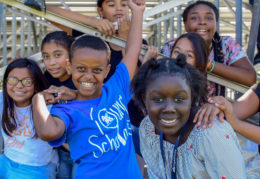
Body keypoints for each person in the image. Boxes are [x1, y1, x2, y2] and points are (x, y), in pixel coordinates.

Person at [32, 0, 145, 178]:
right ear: (69, 67)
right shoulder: (66, 109)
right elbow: (48, 132)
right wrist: (37, 98)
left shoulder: (115, 89)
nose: (88, 76)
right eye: (81, 69)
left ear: (107, 70)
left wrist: (138, 13)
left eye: (97, 70)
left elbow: (133, 49)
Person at [131, 54, 246, 178]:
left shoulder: (210, 134)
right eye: (158, 99)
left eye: (179, 99)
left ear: (191, 97)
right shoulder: (148, 129)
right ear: (144, 99)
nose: (169, 108)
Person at [162, 0, 256, 96]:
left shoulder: (226, 44)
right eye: (194, 18)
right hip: (179, 106)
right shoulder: (172, 46)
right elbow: (161, 79)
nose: (202, 22)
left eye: (209, 18)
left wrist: (208, 64)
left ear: (216, 23)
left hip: (214, 108)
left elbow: (250, 78)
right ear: (185, 25)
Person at [0, 58, 58, 179]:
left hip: (36, 167)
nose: (19, 86)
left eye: (27, 81)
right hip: (6, 160)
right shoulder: (3, 100)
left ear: (36, 84)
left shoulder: (48, 107)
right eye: (12, 80)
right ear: (5, 83)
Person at [41, 31, 77, 179]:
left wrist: (74, 92)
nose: (51, 62)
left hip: (84, 150)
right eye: (46, 56)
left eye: (57, 55)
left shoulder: (80, 76)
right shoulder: (47, 77)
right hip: (61, 151)